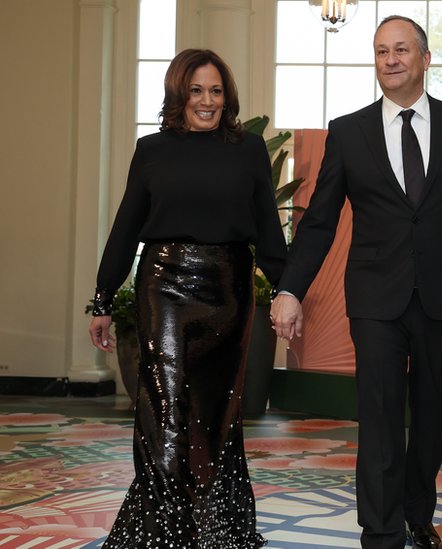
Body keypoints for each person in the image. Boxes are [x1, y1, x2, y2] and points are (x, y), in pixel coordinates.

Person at [270, 15, 442, 549]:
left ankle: (417, 515)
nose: (391, 60)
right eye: (381, 51)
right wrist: (289, 289)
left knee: (431, 419)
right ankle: (380, 533)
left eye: (401, 50)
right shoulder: (350, 131)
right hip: (376, 299)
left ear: (425, 59)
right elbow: (319, 221)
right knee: (379, 416)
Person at [87, 48, 284, 548]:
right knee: (165, 411)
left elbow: (267, 229)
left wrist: (287, 290)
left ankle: (215, 531)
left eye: (216, 91)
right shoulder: (152, 149)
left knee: (217, 417)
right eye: (196, 91)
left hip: (230, 291)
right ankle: (163, 536)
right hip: (165, 287)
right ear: (179, 94)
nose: (207, 100)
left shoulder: (249, 149)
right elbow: (127, 225)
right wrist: (103, 297)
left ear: (227, 96)